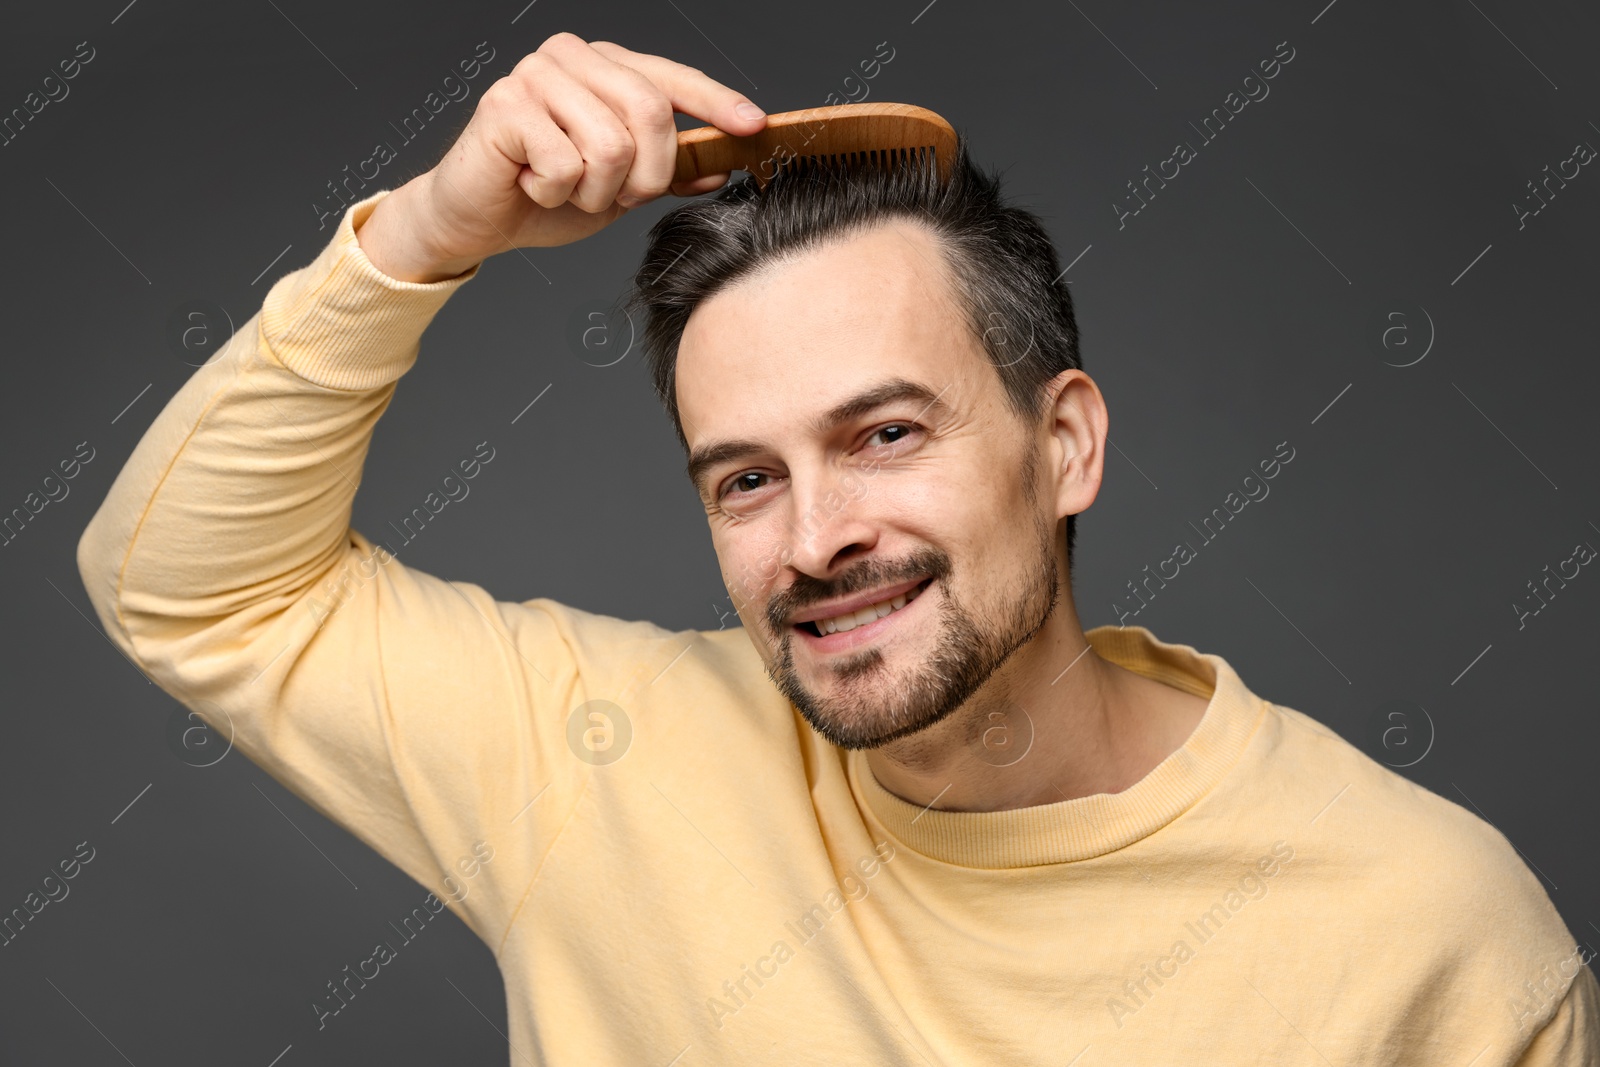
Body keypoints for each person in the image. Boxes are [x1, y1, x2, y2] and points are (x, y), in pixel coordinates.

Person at [78, 30, 1596, 1065]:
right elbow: (187, 584)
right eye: (744, 479)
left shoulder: (1430, 929)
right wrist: (423, 233)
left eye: (885, 436)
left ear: (1064, 444)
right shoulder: (591, 762)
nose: (816, 540)